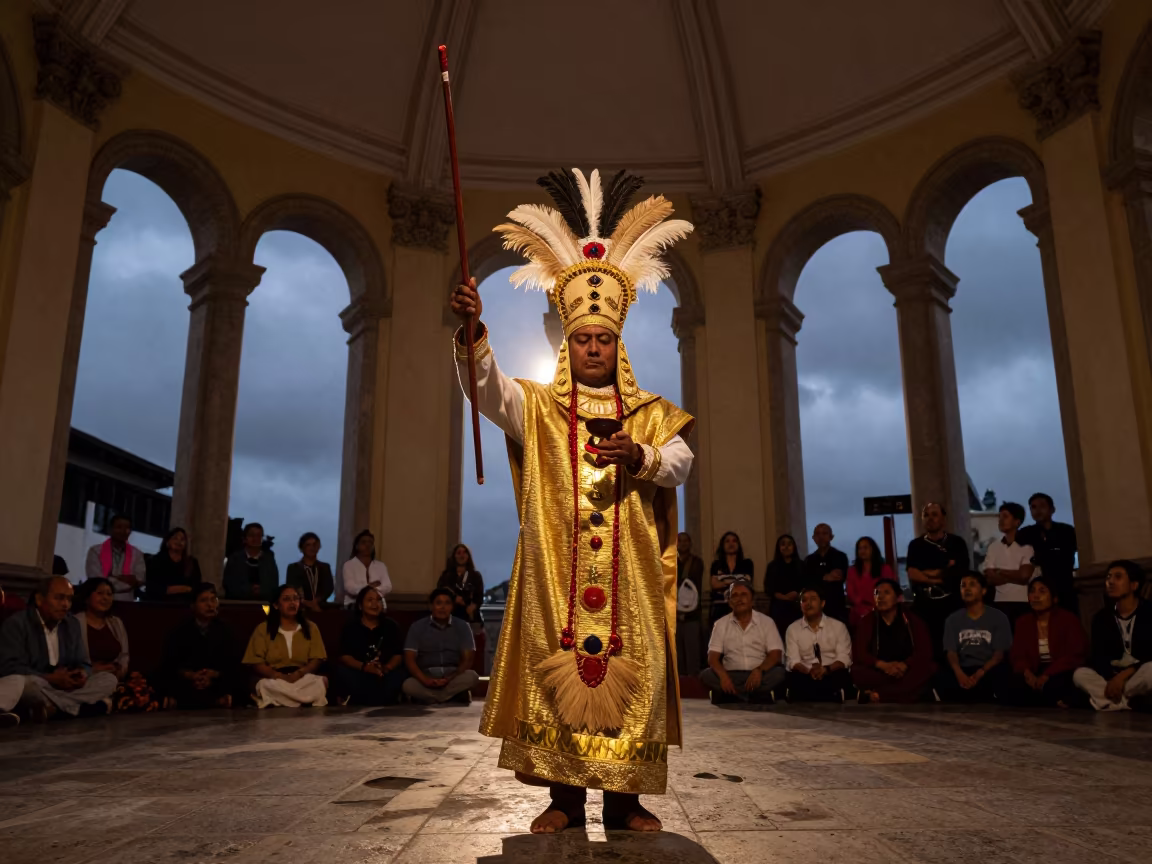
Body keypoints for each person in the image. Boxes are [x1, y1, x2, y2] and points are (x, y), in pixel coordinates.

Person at [450, 168, 694, 833]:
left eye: (604, 339)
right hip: (557, 576)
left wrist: (640, 457)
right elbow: (485, 389)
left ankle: (626, 800)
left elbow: (680, 463)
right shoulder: (539, 407)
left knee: (630, 672)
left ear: (620, 344)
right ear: (568, 342)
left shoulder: (647, 412)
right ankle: (562, 801)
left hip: (631, 577)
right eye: (583, 338)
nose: (593, 347)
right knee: (555, 678)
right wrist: (473, 333)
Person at [0, 577, 117, 721]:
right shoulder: (18, 624)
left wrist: (80, 674)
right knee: (25, 683)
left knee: (108, 679)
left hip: (65, 687)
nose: (65, 605)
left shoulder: (71, 624)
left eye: (69, 599)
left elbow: (84, 663)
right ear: (39, 599)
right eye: (59, 598)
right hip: (40, 683)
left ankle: (53, 708)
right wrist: (50, 678)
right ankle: (79, 708)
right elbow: (10, 667)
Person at [1074, 560, 1152, 711]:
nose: (1110, 581)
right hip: (1110, 677)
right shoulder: (1102, 618)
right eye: (1108, 577)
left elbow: (1149, 654)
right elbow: (1099, 657)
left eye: (1118, 577)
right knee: (1079, 674)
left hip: (1136, 674)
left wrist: (1122, 677)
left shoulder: (1148, 612)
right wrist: (1112, 679)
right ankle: (1125, 702)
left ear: (1134, 585)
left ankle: (1110, 702)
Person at [75, 578, 158, 713]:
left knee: (144, 691)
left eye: (109, 594)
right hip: (88, 677)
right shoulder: (76, 622)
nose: (105, 598)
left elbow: (124, 655)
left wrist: (119, 672)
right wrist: (93, 670)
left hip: (114, 677)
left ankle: (101, 704)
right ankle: (93, 704)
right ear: (87, 597)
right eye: (100, 593)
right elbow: (73, 658)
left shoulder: (115, 622)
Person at [1002, 576, 1086, 708]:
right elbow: (1017, 654)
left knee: (1060, 684)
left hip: (1060, 669)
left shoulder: (1068, 619)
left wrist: (1047, 674)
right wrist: (1027, 672)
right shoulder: (1023, 622)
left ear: (1054, 598)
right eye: (1032, 592)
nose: (1036, 596)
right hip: (1035, 669)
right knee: (1012, 685)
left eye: (1042, 591)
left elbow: (1075, 654)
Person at [242, 584, 328, 708]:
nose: (292, 603)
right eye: (287, 599)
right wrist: (278, 676)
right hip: (275, 678)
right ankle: (301, 700)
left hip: (302, 677)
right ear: (276, 605)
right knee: (264, 685)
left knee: (317, 682)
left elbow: (317, 659)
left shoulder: (311, 627)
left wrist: (299, 674)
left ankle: (281, 700)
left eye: (295, 599)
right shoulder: (263, 628)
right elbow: (256, 662)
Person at [852, 579, 937, 704]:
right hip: (880, 670)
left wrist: (905, 664)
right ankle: (911, 693)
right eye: (877, 593)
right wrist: (883, 665)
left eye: (886, 593)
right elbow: (860, 653)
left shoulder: (912, 620)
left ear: (898, 598)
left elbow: (924, 651)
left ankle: (879, 695)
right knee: (857, 672)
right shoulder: (867, 621)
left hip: (905, 669)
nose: (880, 597)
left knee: (930, 668)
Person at [700, 581, 784, 704]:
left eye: (744, 595)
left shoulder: (767, 622)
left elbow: (776, 654)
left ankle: (734, 695)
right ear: (729, 602)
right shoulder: (720, 624)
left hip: (759, 675)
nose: (739, 599)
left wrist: (759, 670)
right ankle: (752, 695)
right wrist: (723, 676)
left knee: (779, 673)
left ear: (752, 600)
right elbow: (712, 658)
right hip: (731, 675)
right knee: (706, 675)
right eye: (734, 595)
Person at [159, 583, 241, 709]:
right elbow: (170, 664)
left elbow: (233, 664)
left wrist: (213, 675)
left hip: (215, 681)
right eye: (204, 600)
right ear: (193, 605)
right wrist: (191, 675)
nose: (210, 605)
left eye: (213, 600)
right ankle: (214, 701)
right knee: (165, 681)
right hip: (190, 681)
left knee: (238, 680)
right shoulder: (180, 630)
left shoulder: (226, 630)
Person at [907, 503, 970, 661]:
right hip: (924, 606)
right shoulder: (916, 545)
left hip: (952, 605)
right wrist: (942, 573)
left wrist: (931, 573)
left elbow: (960, 573)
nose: (930, 518)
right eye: (926, 515)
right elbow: (913, 573)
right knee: (927, 652)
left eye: (934, 514)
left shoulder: (957, 543)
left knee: (953, 650)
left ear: (943, 518)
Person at [937, 572, 1012, 703]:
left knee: (1003, 675)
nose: (966, 589)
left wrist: (981, 672)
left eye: (972, 585)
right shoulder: (952, 619)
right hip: (963, 668)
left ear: (983, 591)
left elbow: (999, 654)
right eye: (963, 586)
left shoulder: (999, 617)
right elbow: (951, 651)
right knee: (940, 675)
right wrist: (959, 673)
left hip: (988, 668)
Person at [402, 588, 480, 705]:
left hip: (453, 677)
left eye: (447, 603)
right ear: (431, 606)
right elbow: (409, 659)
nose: (443, 607)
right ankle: (448, 697)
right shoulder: (417, 627)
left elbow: (468, 659)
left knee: (472, 677)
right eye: (438, 603)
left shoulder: (463, 626)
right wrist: (426, 680)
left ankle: (433, 698)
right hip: (426, 677)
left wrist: (451, 678)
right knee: (408, 685)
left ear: (452, 607)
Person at [334, 585, 406, 706]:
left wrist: (386, 667)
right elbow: (344, 656)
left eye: (378, 600)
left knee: (400, 674)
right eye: (370, 600)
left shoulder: (391, 626)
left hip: (384, 672)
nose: (375, 604)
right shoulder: (351, 627)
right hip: (360, 671)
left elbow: (398, 655)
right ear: (360, 606)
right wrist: (364, 667)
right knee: (341, 672)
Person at [784, 585, 853, 702]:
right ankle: (831, 695)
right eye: (804, 600)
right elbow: (793, 661)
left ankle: (808, 695)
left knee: (842, 675)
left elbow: (844, 658)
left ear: (822, 603)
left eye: (813, 599)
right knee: (792, 677)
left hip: (831, 671)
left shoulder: (838, 626)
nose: (808, 603)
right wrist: (809, 671)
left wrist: (825, 669)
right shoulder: (793, 628)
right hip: (805, 674)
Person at [1018, 493, 1079, 616]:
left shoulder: (1066, 531)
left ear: (1052, 509)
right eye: (1033, 507)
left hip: (1064, 585)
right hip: (1038, 587)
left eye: (1042, 506)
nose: (1038, 510)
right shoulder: (1025, 534)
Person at [982, 502, 1035, 629]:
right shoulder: (993, 547)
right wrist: (1015, 574)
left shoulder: (1027, 546)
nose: (1000, 520)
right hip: (999, 602)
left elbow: (1024, 576)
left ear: (1017, 522)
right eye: (999, 517)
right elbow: (989, 577)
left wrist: (999, 571)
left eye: (1005, 516)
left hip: (1024, 602)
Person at [85, 513, 146, 601]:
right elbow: (96, 580)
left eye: (127, 528)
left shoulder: (137, 554)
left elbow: (139, 579)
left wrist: (111, 577)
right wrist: (126, 580)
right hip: (100, 600)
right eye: (119, 527)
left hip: (126, 602)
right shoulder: (95, 551)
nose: (123, 531)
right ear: (110, 529)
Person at [803, 524, 849, 623]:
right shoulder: (809, 560)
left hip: (836, 606)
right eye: (818, 534)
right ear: (813, 538)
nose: (821, 537)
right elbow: (807, 582)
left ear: (831, 537)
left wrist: (817, 577)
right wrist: (825, 576)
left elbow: (839, 576)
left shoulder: (840, 556)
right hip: (815, 607)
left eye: (824, 533)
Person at [845, 536, 895, 627]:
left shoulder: (885, 569)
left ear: (873, 549)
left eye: (865, 547)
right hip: (859, 614)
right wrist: (865, 609)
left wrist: (876, 607)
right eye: (860, 548)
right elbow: (851, 593)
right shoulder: (852, 571)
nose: (862, 551)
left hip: (882, 611)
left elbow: (891, 590)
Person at [223, 523, 279, 601]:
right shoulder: (235, 558)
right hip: (238, 604)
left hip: (264, 604)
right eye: (252, 535)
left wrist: (261, 590)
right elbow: (229, 584)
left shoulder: (269, 559)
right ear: (244, 538)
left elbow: (274, 584)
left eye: (259, 535)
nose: (255, 538)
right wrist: (249, 589)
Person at [709, 531, 754, 629]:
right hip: (720, 609)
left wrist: (724, 581)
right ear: (722, 545)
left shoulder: (747, 564)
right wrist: (737, 580)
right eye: (727, 541)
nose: (731, 544)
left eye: (734, 541)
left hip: (741, 609)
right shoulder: (716, 564)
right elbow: (714, 585)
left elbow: (746, 584)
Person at [675, 532, 705, 677]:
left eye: (686, 540)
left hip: (692, 614)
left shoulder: (697, 562)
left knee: (693, 652)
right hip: (673, 615)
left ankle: (694, 686)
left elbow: (691, 584)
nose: (683, 543)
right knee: (677, 654)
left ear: (690, 543)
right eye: (680, 540)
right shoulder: (670, 561)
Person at [145, 527, 203, 602]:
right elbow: (152, 587)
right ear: (167, 542)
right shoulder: (156, 560)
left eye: (182, 539)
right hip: (160, 604)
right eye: (175, 538)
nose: (179, 541)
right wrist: (182, 588)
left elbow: (196, 586)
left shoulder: (192, 562)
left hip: (185, 605)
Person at [763, 534, 805, 637]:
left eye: (789, 544)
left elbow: (807, 585)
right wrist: (784, 597)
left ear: (794, 547)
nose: (786, 547)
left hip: (798, 606)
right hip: (778, 607)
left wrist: (797, 594)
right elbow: (768, 588)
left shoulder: (802, 565)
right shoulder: (772, 566)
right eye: (783, 544)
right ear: (778, 547)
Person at [437, 543, 485, 630]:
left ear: (468, 556)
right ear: (454, 556)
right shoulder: (446, 575)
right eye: (459, 553)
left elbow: (479, 597)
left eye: (464, 552)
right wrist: (454, 598)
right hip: (451, 615)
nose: (462, 555)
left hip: (469, 617)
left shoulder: (475, 576)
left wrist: (472, 606)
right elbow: (440, 592)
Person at [286, 532, 335, 613]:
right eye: (308, 545)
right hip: (300, 609)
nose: (312, 548)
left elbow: (329, 588)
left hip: (321, 608)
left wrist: (317, 601)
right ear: (302, 548)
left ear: (319, 547)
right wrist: (306, 602)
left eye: (314, 544)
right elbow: (292, 588)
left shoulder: (325, 567)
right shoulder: (293, 568)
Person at [342, 529, 391, 608]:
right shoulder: (349, 565)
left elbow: (388, 586)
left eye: (370, 543)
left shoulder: (380, 566)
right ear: (357, 546)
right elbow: (350, 588)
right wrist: (370, 587)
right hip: (354, 605)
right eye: (364, 542)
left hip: (378, 604)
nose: (367, 545)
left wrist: (367, 588)